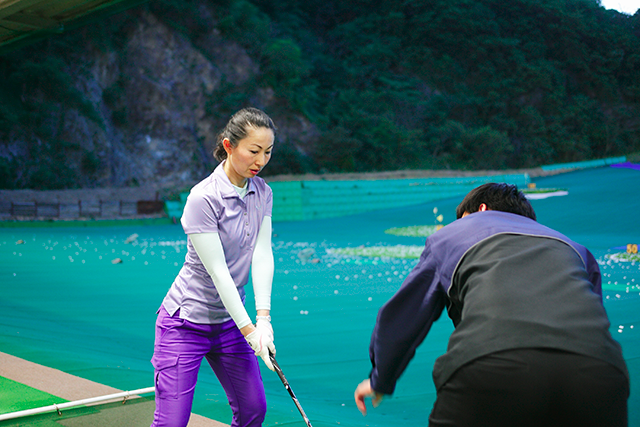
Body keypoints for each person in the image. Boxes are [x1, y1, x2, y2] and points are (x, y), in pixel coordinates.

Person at [354, 183, 629, 427]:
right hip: (601, 373)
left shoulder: (456, 233)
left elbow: (403, 315)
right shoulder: (575, 248)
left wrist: (381, 379)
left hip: (490, 365)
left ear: (480, 209)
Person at [151, 107, 278, 427]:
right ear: (228, 145)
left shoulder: (263, 192)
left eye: (267, 152)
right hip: (185, 325)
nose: (260, 161)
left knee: (253, 410)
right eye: (253, 151)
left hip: (228, 324)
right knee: (171, 423)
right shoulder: (202, 198)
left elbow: (262, 254)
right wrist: (250, 331)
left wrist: (264, 320)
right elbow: (219, 273)